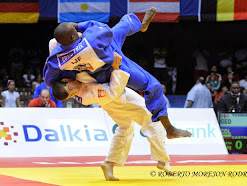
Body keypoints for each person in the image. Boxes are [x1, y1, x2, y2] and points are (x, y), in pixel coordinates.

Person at [44, 8, 190, 139]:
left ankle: (141, 26)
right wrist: (77, 26)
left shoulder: (56, 57)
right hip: (115, 62)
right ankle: (169, 129)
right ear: (73, 37)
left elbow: (49, 80)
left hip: (105, 59)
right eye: (75, 32)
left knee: (123, 26)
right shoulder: (91, 40)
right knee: (152, 84)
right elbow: (101, 28)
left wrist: (69, 75)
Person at [52, 59, 181, 181]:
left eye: (71, 89)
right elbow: (114, 90)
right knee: (151, 118)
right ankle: (162, 160)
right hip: (117, 99)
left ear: (65, 80)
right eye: (72, 94)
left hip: (111, 103)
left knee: (125, 127)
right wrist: (116, 68)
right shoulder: (85, 96)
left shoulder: (73, 73)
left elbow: (53, 44)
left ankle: (109, 163)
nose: (75, 90)